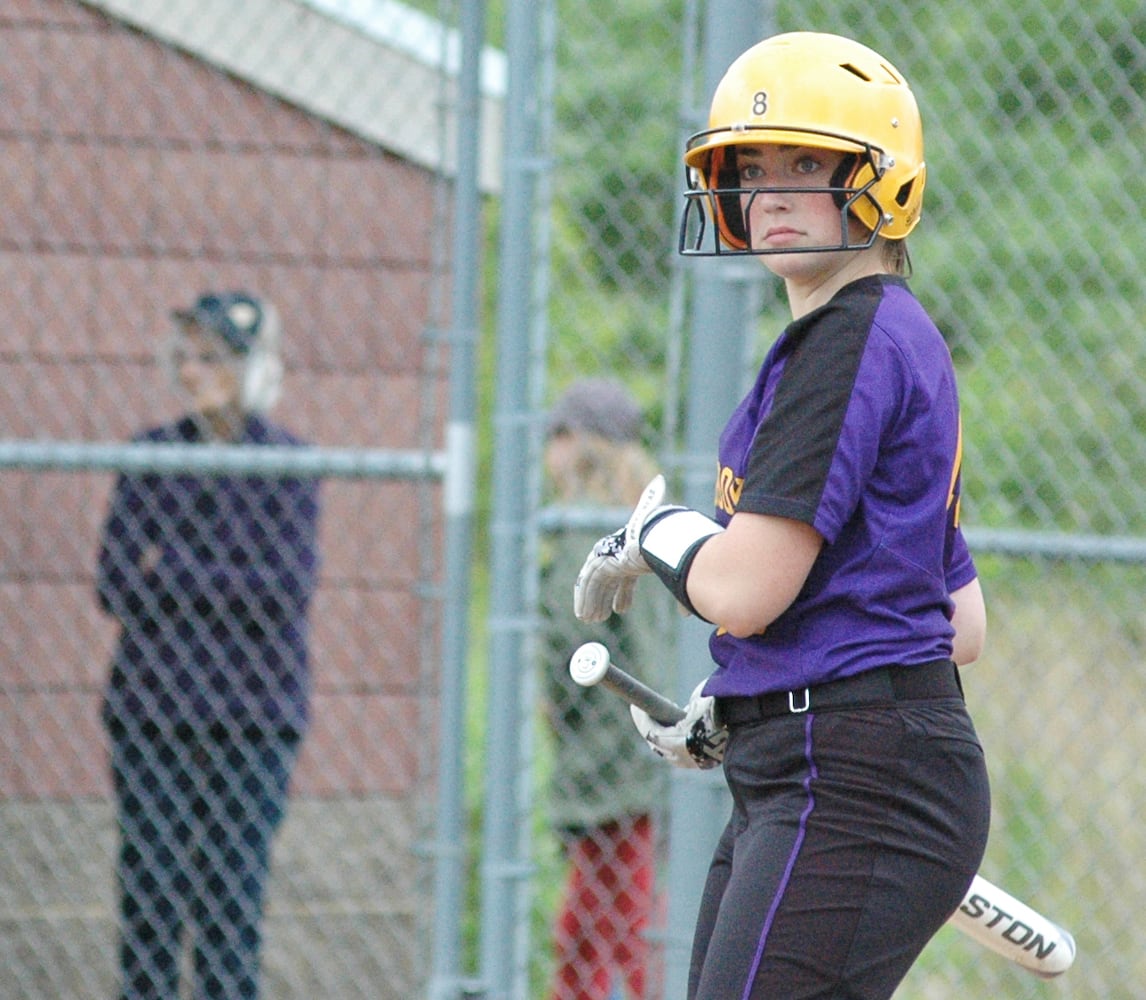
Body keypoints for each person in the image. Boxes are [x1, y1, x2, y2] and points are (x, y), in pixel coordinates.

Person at [574, 32, 991, 1000]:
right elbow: (958, 622)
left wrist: (653, 534)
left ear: (883, 183)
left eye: (809, 163)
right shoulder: (871, 337)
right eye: (750, 169)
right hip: (825, 764)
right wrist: (748, 697)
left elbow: (744, 590)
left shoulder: (851, 342)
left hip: (851, 777)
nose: (772, 192)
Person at [96, 291, 321, 1000]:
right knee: (152, 892)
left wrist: (177, 574)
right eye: (186, 356)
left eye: (214, 357)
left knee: (232, 901)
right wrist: (230, 583)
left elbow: (285, 590)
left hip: (253, 716)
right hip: (151, 713)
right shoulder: (153, 454)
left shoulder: (288, 462)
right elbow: (113, 583)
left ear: (254, 367)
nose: (193, 371)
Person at [540, 378, 671, 1000]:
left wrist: (556, 702)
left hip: (614, 768)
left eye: (557, 435)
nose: (548, 451)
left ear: (581, 446)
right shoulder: (628, 530)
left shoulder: (587, 532)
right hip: (620, 761)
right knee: (593, 931)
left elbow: (575, 648)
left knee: (618, 931)